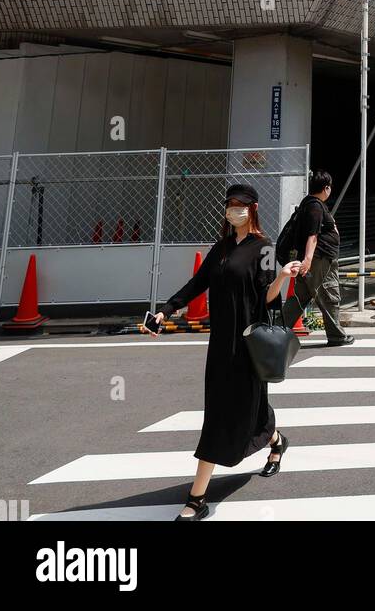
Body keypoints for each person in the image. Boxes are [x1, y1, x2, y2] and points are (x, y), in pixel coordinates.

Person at [150, 183, 302, 521]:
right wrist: (166, 309)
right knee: (234, 410)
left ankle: (197, 499)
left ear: (253, 208)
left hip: (248, 344)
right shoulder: (219, 249)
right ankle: (276, 441)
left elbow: (267, 299)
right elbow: (196, 285)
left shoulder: (263, 247)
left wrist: (282, 277)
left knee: (225, 416)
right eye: (231, 204)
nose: (235, 209)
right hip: (220, 345)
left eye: (241, 204)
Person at [282, 170, 354, 346]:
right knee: (328, 294)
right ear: (326, 188)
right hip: (319, 260)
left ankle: (277, 330)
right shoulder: (315, 206)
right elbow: (312, 235)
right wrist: (307, 260)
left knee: (300, 297)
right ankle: (336, 336)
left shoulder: (308, 204)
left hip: (313, 260)